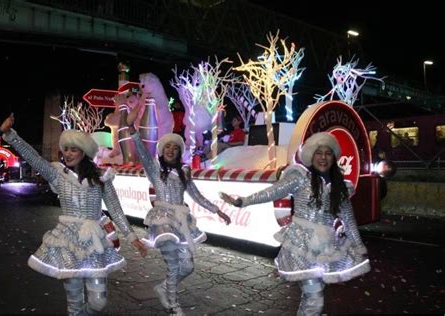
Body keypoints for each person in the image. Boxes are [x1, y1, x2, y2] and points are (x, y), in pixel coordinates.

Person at [0, 113, 147, 315]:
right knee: (75, 305)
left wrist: (132, 237)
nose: (68, 154)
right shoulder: (58, 175)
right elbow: (34, 159)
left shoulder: (101, 178)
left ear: (84, 152)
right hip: (67, 242)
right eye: (65, 149)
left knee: (98, 303)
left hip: (95, 243)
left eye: (73, 149)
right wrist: (10, 135)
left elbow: (115, 209)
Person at [220, 132, 370, 315]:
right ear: (311, 155)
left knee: (311, 297)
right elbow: (272, 192)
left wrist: (358, 246)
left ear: (334, 156)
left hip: (326, 248)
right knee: (315, 299)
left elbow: (348, 218)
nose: (323, 157)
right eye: (318, 153)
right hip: (300, 245)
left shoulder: (340, 187)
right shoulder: (300, 177)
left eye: (328, 153)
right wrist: (242, 201)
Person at [115, 94, 231, 316]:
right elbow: (140, 149)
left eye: (175, 148)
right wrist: (131, 128)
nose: (171, 150)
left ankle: (164, 287)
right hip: (162, 222)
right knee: (173, 265)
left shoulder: (185, 171)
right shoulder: (154, 170)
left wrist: (218, 211)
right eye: (167, 147)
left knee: (188, 266)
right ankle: (173, 304)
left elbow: (196, 195)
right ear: (161, 151)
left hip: (182, 222)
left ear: (179, 152)